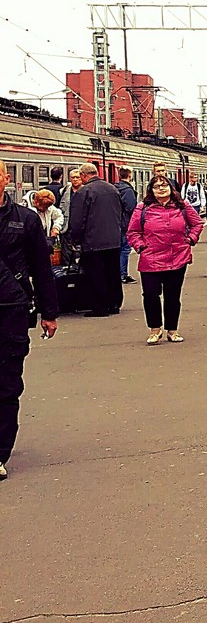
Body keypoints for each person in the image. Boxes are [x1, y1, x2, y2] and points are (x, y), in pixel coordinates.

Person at [0, 162, 60, 481]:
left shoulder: (25, 221)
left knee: (7, 383)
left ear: (6, 180)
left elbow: (42, 268)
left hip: (12, 310)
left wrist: (49, 312)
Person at [127, 175, 202, 344]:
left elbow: (197, 223)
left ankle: (172, 330)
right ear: (151, 190)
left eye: (164, 185)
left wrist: (190, 239)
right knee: (150, 295)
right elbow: (132, 232)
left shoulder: (182, 206)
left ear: (171, 188)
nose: (161, 189)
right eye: (157, 186)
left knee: (172, 296)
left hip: (177, 257)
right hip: (150, 258)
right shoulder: (143, 208)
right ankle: (155, 330)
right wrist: (140, 246)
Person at [66, 162, 124, 317]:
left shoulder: (84, 192)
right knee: (112, 272)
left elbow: (78, 219)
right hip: (113, 240)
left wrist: (75, 239)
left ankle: (100, 307)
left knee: (95, 274)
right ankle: (114, 304)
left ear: (84, 175)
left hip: (93, 241)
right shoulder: (112, 188)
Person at [115, 166, 138, 284]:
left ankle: (117, 273)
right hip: (125, 224)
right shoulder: (128, 190)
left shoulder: (115, 188)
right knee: (125, 249)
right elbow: (131, 208)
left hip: (116, 223)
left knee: (118, 249)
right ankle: (122, 274)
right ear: (130, 176)